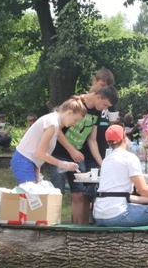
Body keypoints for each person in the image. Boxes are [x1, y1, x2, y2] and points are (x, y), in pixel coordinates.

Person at [49, 86, 119, 225]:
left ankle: (78, 227)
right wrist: (71, 150)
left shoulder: (98, 112)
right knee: (57, 193)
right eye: (105, 104)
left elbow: (91, 139)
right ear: (98, 97)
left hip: (78, 156)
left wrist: (102, 163)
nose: (105, 108)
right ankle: (53, 223)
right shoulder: (76, 104)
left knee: (80, 193)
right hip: (59, 155)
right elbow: (57, 130)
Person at [93, 125, 148, 226]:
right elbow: (143, 190)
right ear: (125, 137)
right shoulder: (129, 157)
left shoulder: (106, 161)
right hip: (118, 214)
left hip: (99, 215)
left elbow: (120, 195)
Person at [11, 97, 87, 184]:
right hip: (23, 160)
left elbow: (37, 152)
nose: (74, 124)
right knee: (30, 196)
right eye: (75, 120)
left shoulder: (53, 122)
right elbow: (40, 153)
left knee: (32, 195)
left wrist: (37, 170)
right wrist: (63, 164)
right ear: (69, 113)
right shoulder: (52, 124)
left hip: (28, 161)